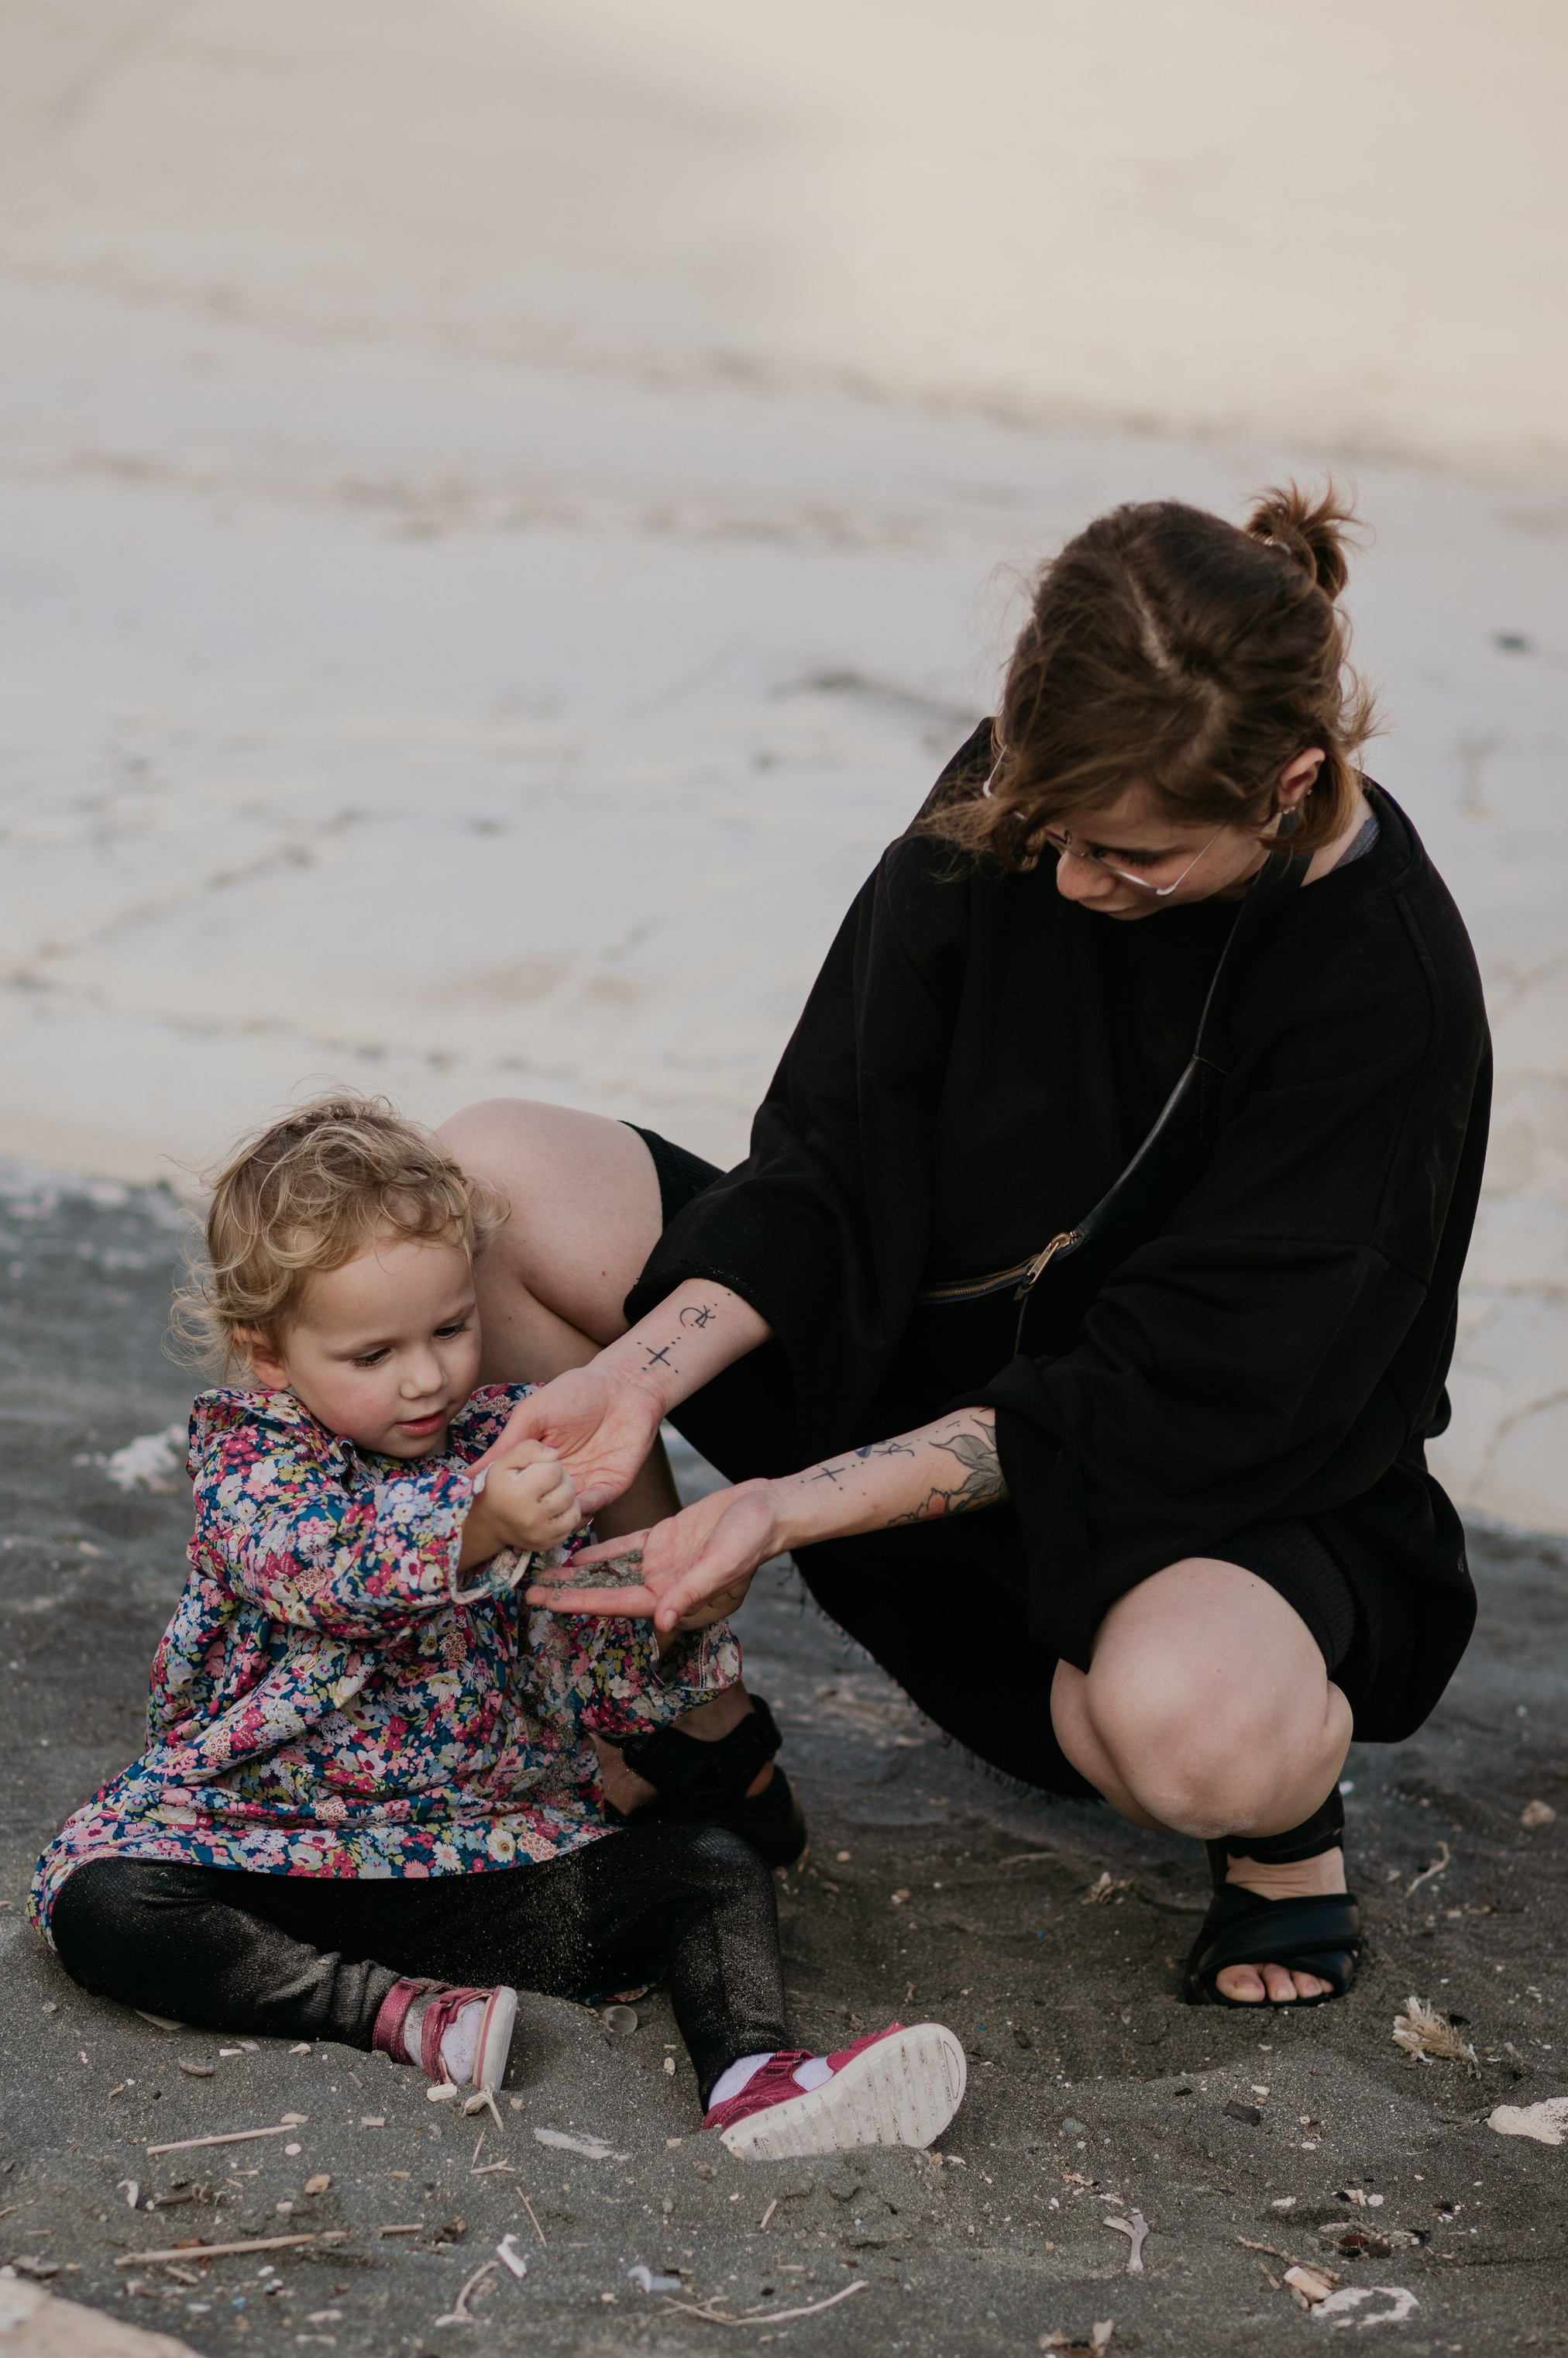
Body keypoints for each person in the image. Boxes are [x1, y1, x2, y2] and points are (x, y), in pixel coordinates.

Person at [443, 486, 1491, 2012]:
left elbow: (1161, 1408)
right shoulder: (1033, 789)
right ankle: (688, 1726)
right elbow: (825, 1163)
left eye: (1130, 859)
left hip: (1167, 1491)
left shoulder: (1380, 1002)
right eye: (1050, 833)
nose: (1068, 881)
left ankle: (1280, 1841)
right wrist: (636, 1380)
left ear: (1290, 784)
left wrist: (784, 1511)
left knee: (1197, 1733)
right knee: (485, 1179)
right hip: (905, 1357)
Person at [33, 1096, 968, 2159]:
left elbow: (594, 1678)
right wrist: (477, 1527)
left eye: (449, 1328)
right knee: (105, 1903)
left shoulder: (511, 1443)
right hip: (278, 1850)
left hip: (483, 1859)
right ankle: (390, 2015)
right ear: (272, 1355)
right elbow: (321, 1566)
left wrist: (672, 1615)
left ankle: (756, 2073)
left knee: (710, 1864)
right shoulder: (254, 1459)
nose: (427, 1376)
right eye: (374, 1353)